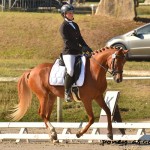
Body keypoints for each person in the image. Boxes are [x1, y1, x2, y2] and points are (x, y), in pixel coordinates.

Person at [60, 4, 92, 102]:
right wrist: (80, 49)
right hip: (69, 53)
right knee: (70, 70)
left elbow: (80, 38)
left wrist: (86, 47)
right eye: (69, 13)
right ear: (64, 14)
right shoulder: (63, 27)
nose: (71, 14)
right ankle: (67, 92)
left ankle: (79, 87)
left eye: (72, 12)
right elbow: (68, 42)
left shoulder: (75, 24)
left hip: (77, 51)